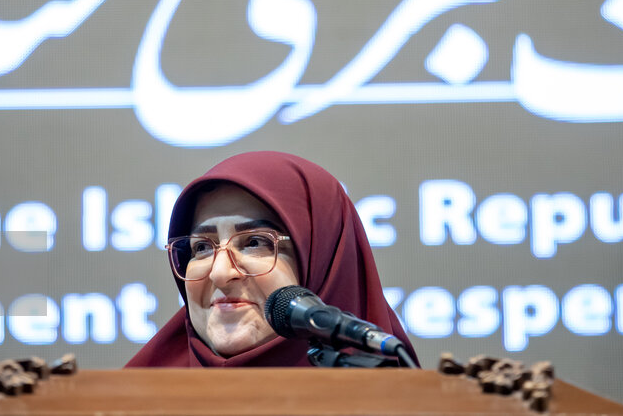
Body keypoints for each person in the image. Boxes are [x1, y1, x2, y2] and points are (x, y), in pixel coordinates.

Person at [126, 150, 419, 368]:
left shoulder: (400, 401)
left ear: (324, 263)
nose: (220, 273)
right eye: (201, 247)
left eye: (254, 243)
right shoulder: (127, 404)